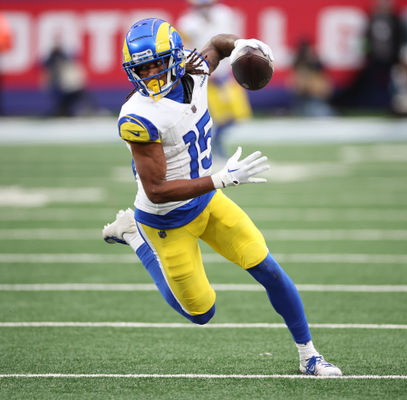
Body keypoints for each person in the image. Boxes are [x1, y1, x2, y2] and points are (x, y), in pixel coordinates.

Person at [102, 18, 342, 376]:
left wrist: (245, 44)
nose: (151, 74)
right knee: (201, 313)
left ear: (173, 57)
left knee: (268, 268)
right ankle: (134, 236)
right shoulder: (138, 116)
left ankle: (310, 356)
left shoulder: (193, 70)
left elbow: (217, 44)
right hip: (165, 218)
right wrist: (220, 179)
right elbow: (157, 188)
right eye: (142, 67)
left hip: (206, 202)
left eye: (156, 63)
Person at [177, 0, 252, 162]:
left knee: (238, 113)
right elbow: (184, 50)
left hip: (225, 74)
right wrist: (197, 71)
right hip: (204, 76)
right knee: (210, 117)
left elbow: (235, 41)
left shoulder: (224, 14)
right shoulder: (187, 22)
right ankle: (208, 149)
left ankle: (216, 142)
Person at [286, 40, 335, 117]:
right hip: (302, 104)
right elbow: (296, 88)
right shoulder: (298, 70)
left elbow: (326, 90)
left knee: (323, 113)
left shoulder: (318, 70)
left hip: (318, 103)